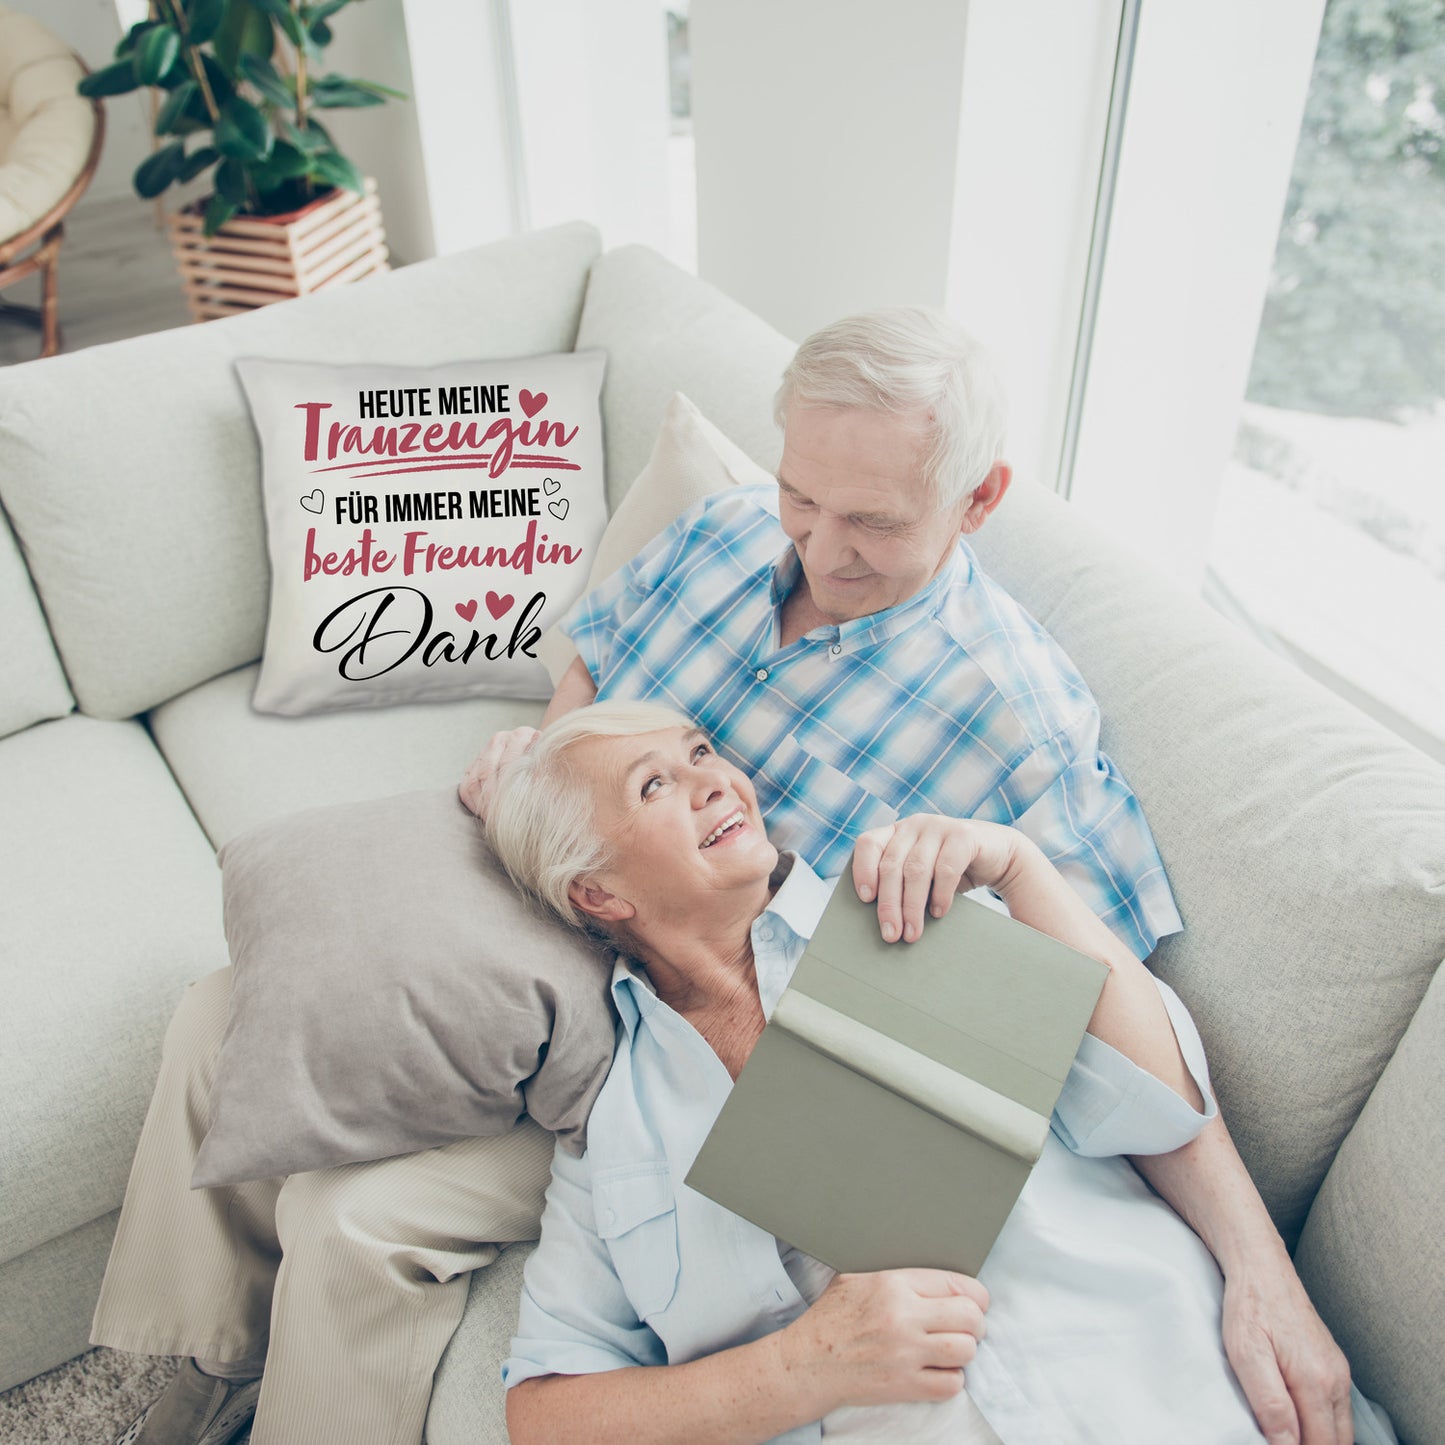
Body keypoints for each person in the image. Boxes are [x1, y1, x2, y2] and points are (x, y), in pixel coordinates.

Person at [94, 309, 1349, 1445]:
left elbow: (1103, 1019)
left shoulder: (1017, 726)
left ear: (976, 501)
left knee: (355, 1219)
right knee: (229, 1007)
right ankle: (194, 1362)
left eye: (871, 520)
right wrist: (546, 764)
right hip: (581, 888)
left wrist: (1259, 1266)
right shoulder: (725, 532)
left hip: (695, 1012)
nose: (819, 545)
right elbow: (594, 664)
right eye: (804, 495)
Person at [486, 700, 1378, 1445]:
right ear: (597, 893)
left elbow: (1158, 1104)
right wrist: (800, 1367)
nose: (715, 779)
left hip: (1173, 1388)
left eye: (700, 752)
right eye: (655, 785)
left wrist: (1021, 869)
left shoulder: (908, 906)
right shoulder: (615, 1132)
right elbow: (545, 1411)